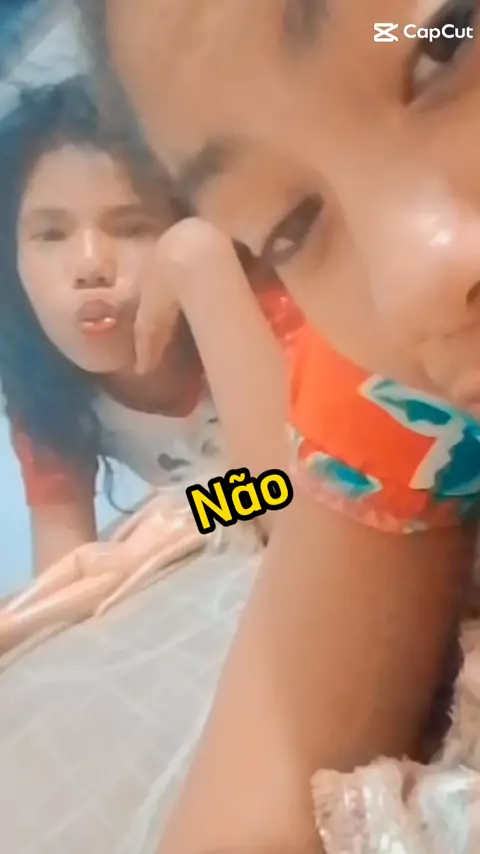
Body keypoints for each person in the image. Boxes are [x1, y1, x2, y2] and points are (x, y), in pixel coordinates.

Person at [76, 1, 480, 852]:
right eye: (288, 224)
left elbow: (276, 482)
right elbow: (69, 553)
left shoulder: (240, 302)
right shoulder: (66, 421)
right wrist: (119, 550)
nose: (91, 269)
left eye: (447, 46)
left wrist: (199, 273)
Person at [0, 75, 302, 573]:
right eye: (51, 235)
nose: (91, 265)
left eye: (133, 228)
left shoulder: (262, 307)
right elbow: (67, 571)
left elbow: (303, 484)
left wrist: (199, 261)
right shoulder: (45, 388)